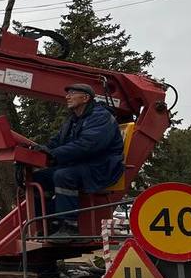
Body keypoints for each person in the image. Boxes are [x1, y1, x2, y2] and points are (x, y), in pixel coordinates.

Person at [30, 83, 124, 238]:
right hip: (83, 165)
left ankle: (69, 226)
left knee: (63, 175)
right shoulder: (73, 120)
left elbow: (87, 146)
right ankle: (50, 222)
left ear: (86, 98)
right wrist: (42, 150)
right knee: (39, 178)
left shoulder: (100, 117)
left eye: (72, 93)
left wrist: (54, 155)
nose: (67, 96)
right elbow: (57, 141)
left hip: (101, 168)